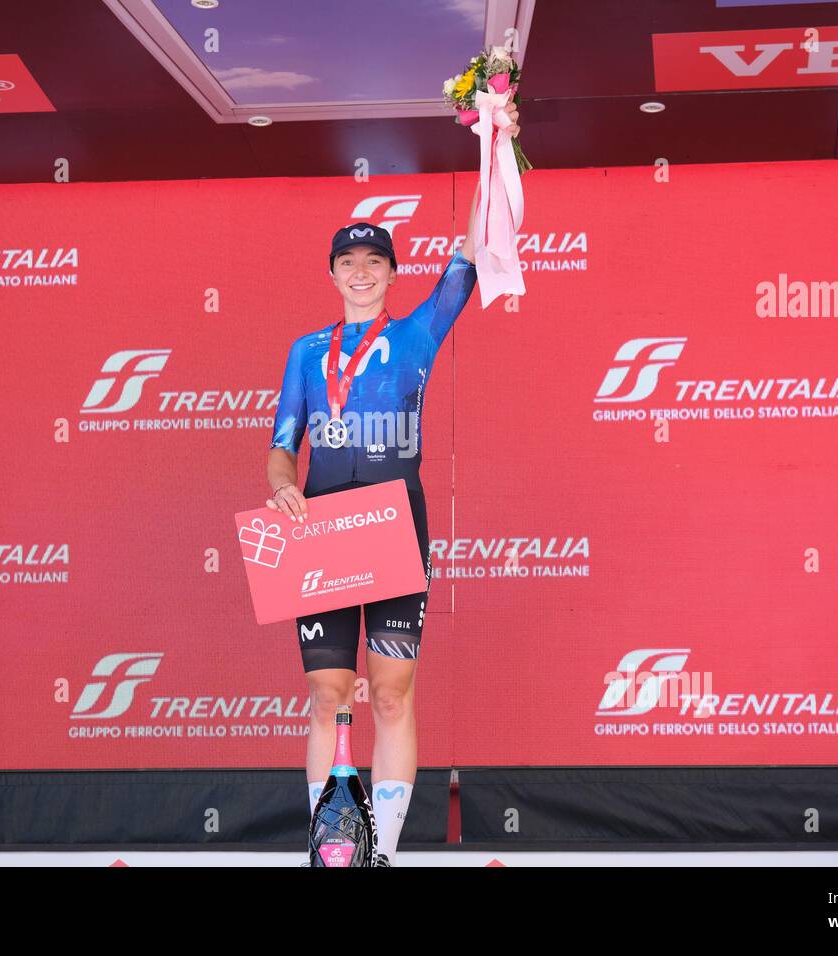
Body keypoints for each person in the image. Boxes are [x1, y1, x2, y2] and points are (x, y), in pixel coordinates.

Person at [264, 104, 520, 866]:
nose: (363, 272)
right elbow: (282, 447)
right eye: (350, 262)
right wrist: (283, 487)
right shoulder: (306, 353)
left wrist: (493, 144)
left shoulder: (416, 333)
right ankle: (328, 846)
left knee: (393, 693)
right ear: (334, 272)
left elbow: (468, 260)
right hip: (321, 533)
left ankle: (383, 851)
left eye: (376, 263)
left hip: (397, 526)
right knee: (327, 695)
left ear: (391, 274)